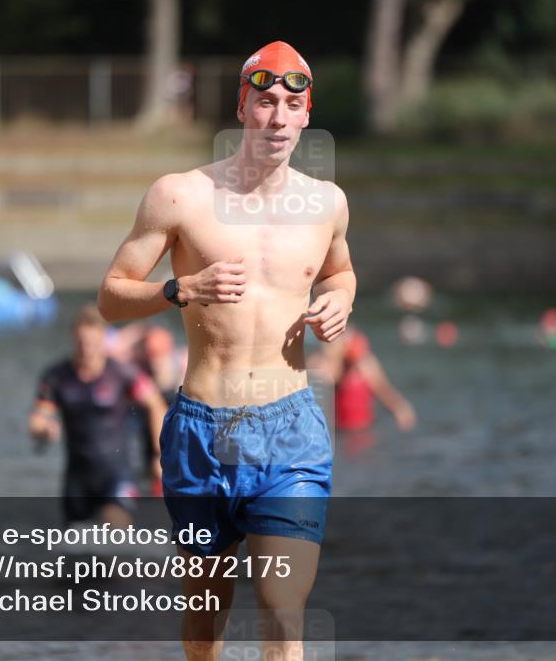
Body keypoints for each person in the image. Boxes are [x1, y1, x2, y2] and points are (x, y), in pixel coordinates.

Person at [99, 40, 355, 661]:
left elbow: (341, 272)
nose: (277, 117)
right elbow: (111, 297)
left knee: (282, 608)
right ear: (242, 107)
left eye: (291, 104)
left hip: (291, 428)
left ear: (306, 113)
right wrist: (177, 288)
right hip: (201, 431)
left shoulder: (327, 203)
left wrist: (341, 299)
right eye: (264, 101)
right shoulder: (180, 196)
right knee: (205, 608)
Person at [29, 304, 167, 528]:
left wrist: (159, 454)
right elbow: (38, 416)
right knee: (75, 550)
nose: (87, 349)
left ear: (103, 339)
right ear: (73, 338)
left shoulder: (122, 373)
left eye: (92, 343)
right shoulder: (57, 376)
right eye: (81, 343)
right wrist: (42, 428)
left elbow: (156, 405)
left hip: (116, 474)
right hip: (77, 477)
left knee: (116, 535)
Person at [309, 326, 417, 434]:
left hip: (363, 429)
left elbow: (383, 389)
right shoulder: (331, 365)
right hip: (339, 430)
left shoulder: (366, 365)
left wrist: (399, 406)